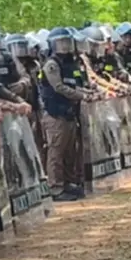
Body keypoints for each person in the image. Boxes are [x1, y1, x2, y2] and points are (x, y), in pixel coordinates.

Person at [41, 27, 95, 202]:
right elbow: (59, 87)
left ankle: (68, 183)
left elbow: (74, 85)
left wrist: (87, 92)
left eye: (67, 42)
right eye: (61, 42)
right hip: (55, 114)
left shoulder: (70, 64)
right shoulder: (52, 64)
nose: (65, 46)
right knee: (56, 152)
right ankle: (56, 188)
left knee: (70, 152)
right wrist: (81, 96)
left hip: (69, 113)